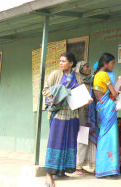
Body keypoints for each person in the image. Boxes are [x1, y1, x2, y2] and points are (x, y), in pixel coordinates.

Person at [43, 52, 92, 187]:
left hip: (73, 114)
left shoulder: (77, 77)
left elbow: (81, 92)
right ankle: (49, 174)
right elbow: (45, 91)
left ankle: (62, 171)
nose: (61, 63)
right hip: (59, 114)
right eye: (60, 61)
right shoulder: (55, 75)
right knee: (55, 142)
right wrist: (60, 92)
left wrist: (86, 100)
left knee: (69, 142)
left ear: (71, 63)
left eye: (63, 61)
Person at [93, 53, 121, 177]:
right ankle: (109, 169)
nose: (113, 65)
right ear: (105, 63)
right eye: (112, 63)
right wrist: (118, 90)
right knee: (110, 137)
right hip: (108, 107)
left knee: (103, 137)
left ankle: (101, 168)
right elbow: (114, 94)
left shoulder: (96, 75)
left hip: (100, 108)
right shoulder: (104, 74)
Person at [73, 61, 94, 175]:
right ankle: (77, 165)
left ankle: (82, 163)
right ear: (80, 69)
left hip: (88, 112)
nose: (89, 68)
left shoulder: (90, 81)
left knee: (86, 137)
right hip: (79, 112)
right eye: (86, 66)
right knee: (81, 137)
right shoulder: (76, 81)